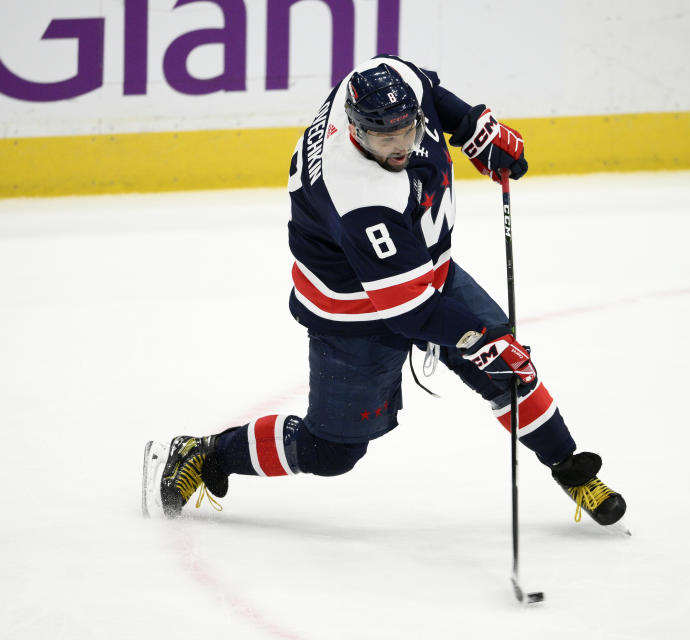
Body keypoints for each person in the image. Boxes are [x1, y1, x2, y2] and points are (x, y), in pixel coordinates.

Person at [143, 55, 626, 527]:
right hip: (353, 309)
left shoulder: (387, 82)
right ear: (355, 129)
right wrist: (479, 338)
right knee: (333, 451)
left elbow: (430, 91)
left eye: (407, 131)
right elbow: (410, 311)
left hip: (423, 272)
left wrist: (473, 130)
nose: (400, 146)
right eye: (383, 137)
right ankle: (206, 454)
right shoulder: (361, 198)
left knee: (509, 369)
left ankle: (570, 467)